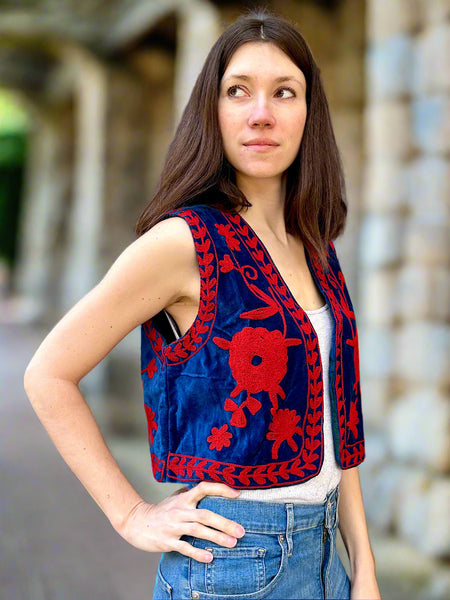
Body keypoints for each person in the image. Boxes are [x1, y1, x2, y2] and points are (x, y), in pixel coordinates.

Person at [24, 10, 381, 600]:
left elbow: (336, 425)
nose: (261, 113)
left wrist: (363, 566)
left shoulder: (315, 244)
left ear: (308, 115)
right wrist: (132, 514)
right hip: (235, 566)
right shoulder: (185, 242)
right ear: (211, 112)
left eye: (284, 93)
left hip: (329, 562)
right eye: (238, 91)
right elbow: (48, 374)